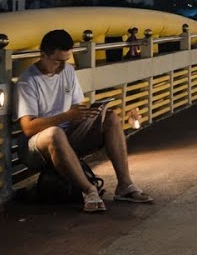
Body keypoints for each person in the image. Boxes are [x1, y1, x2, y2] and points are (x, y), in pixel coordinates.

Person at [16, 29, 154, 212]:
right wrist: (65, 117)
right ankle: (89, 190)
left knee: (111, 118)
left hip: (67, 133)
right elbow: (28, 128)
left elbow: (74, 108)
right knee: (55, 133)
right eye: (57, 61)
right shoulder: (28, 81)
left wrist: (86, 116)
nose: (62, 67)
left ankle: (125, 185)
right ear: (43, 55)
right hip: (36, 147)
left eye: (66, 60)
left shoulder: (68, 71)